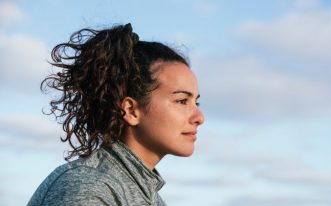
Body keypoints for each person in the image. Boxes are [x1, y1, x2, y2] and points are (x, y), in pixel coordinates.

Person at [27, 23, 204, 206]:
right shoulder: (88, 188)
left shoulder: (149, 197)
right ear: (131, 110)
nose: (200, 117)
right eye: (182, 101)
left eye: (196, 102)